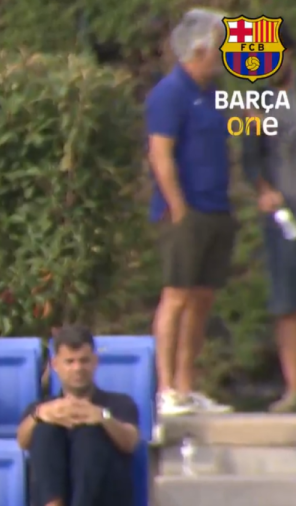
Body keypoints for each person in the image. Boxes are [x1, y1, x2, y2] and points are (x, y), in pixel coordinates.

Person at [146, 8, 236, 416]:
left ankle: (187, 386)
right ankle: (166, 390)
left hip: (217, 207)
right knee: (176, 296)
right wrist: (178, 205)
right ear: (201, 50)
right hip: (186, 212)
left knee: (201, 299)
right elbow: (160, 152)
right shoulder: (170, 93)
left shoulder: (215, 94)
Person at [17, 325, 140, 506]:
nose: (78, 368)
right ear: (55, 365)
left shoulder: (119, 403)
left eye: (84, 361)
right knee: (45, 427)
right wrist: (39, 416)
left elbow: (130, 442)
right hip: (51, 503)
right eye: (70, 362)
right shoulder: (41, 407)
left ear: (95, 362)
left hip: (104, 503)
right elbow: (22, 441)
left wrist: (102, 417)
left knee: (89, 427)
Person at [242, 22, 296, 412]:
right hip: (281, 215)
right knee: (285, 301)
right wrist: (263, 190)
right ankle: (294, 387)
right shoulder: (256, 101)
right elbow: (250, 156)